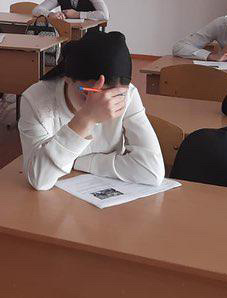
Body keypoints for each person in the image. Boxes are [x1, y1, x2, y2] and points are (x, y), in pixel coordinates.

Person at [18, 30, 165, 190]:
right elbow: (40, 179)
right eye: (91, 93)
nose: (105, 104)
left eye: (116, 96)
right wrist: (86, 118)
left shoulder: (126, 95)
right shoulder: (35, 100)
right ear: (68, 78)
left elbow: (152, 170)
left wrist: (76, 161)